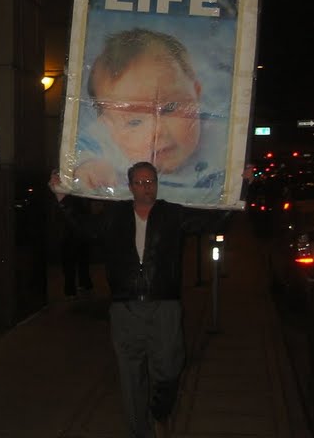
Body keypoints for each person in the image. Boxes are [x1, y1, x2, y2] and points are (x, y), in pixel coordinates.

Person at [50, 161, 228, 438]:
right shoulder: (116, 215)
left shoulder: (172, 214)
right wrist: (63, 198)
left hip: (164, 306)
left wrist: (242, 186)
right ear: (130, 186)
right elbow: (85, 228)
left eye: (151, 182)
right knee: (130, 377)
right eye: (141, 183)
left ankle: (159, 410)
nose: (147, 188)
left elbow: (214, 221)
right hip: (125, 308)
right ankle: (140, 432)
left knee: (170, 366)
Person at [74, 28, 227, 198]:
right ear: (108, 126)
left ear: (196, 94)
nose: (157, 131)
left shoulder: (218, 137)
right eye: (134, 122)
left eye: (169, 108)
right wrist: (89, 166)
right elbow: (78, 151)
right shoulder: (104, 144)